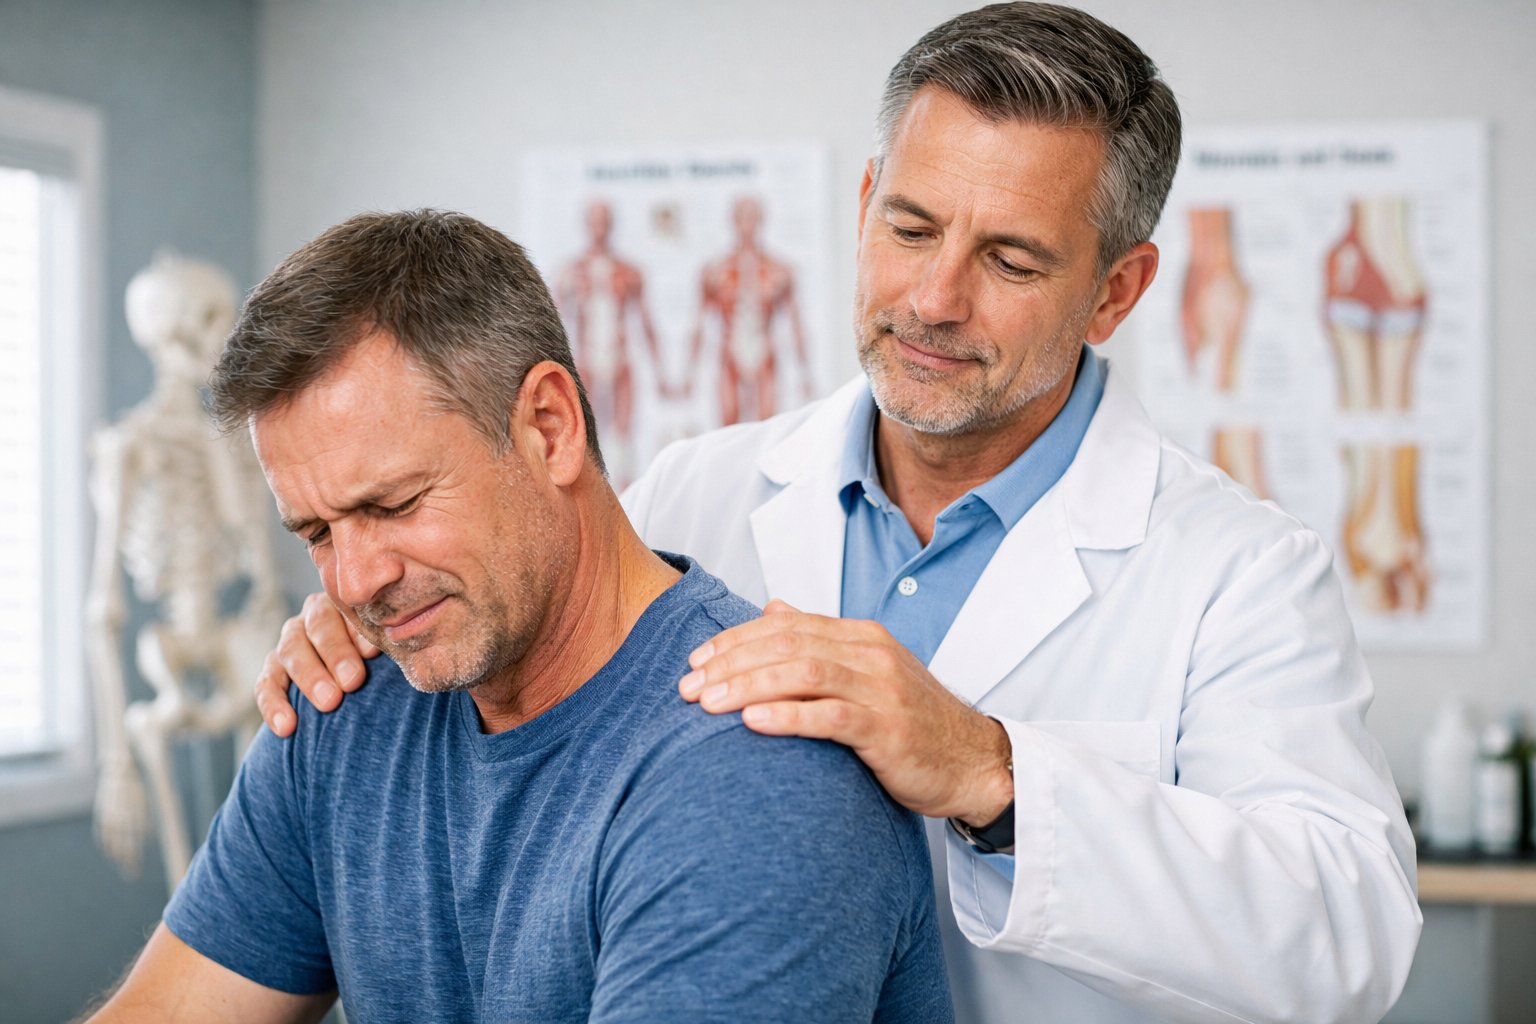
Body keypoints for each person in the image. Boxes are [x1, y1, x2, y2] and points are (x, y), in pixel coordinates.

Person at [257, 5, 1422, 1021]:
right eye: (910, 227)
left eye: (1010, 260)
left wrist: (996, 772)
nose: (932, 298)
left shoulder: (1239, 571)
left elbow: (1352, 937)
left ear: (1115, 289)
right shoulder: (692, 496)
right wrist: (363, 617)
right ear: (864, 202)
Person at [85, 210, 952, 1023]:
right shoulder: (339, 708)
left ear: (548, 427)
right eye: (316, 531)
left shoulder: (756, 776)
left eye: (393, 505)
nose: (354, 582)